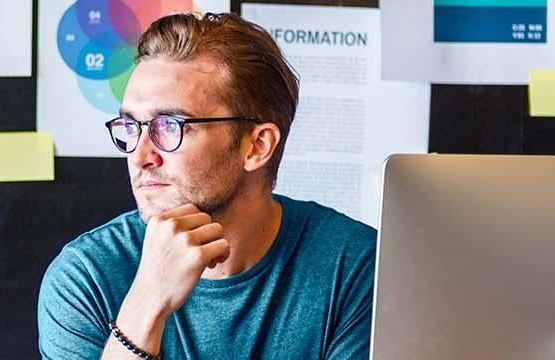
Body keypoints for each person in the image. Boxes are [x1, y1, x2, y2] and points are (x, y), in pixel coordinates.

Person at [37, 12, 378, 359]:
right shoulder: (85, 277)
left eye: (170, 126)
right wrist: (146, 305)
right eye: (131, 126)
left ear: (257, 146)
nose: (141, 156)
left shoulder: (358, 267)